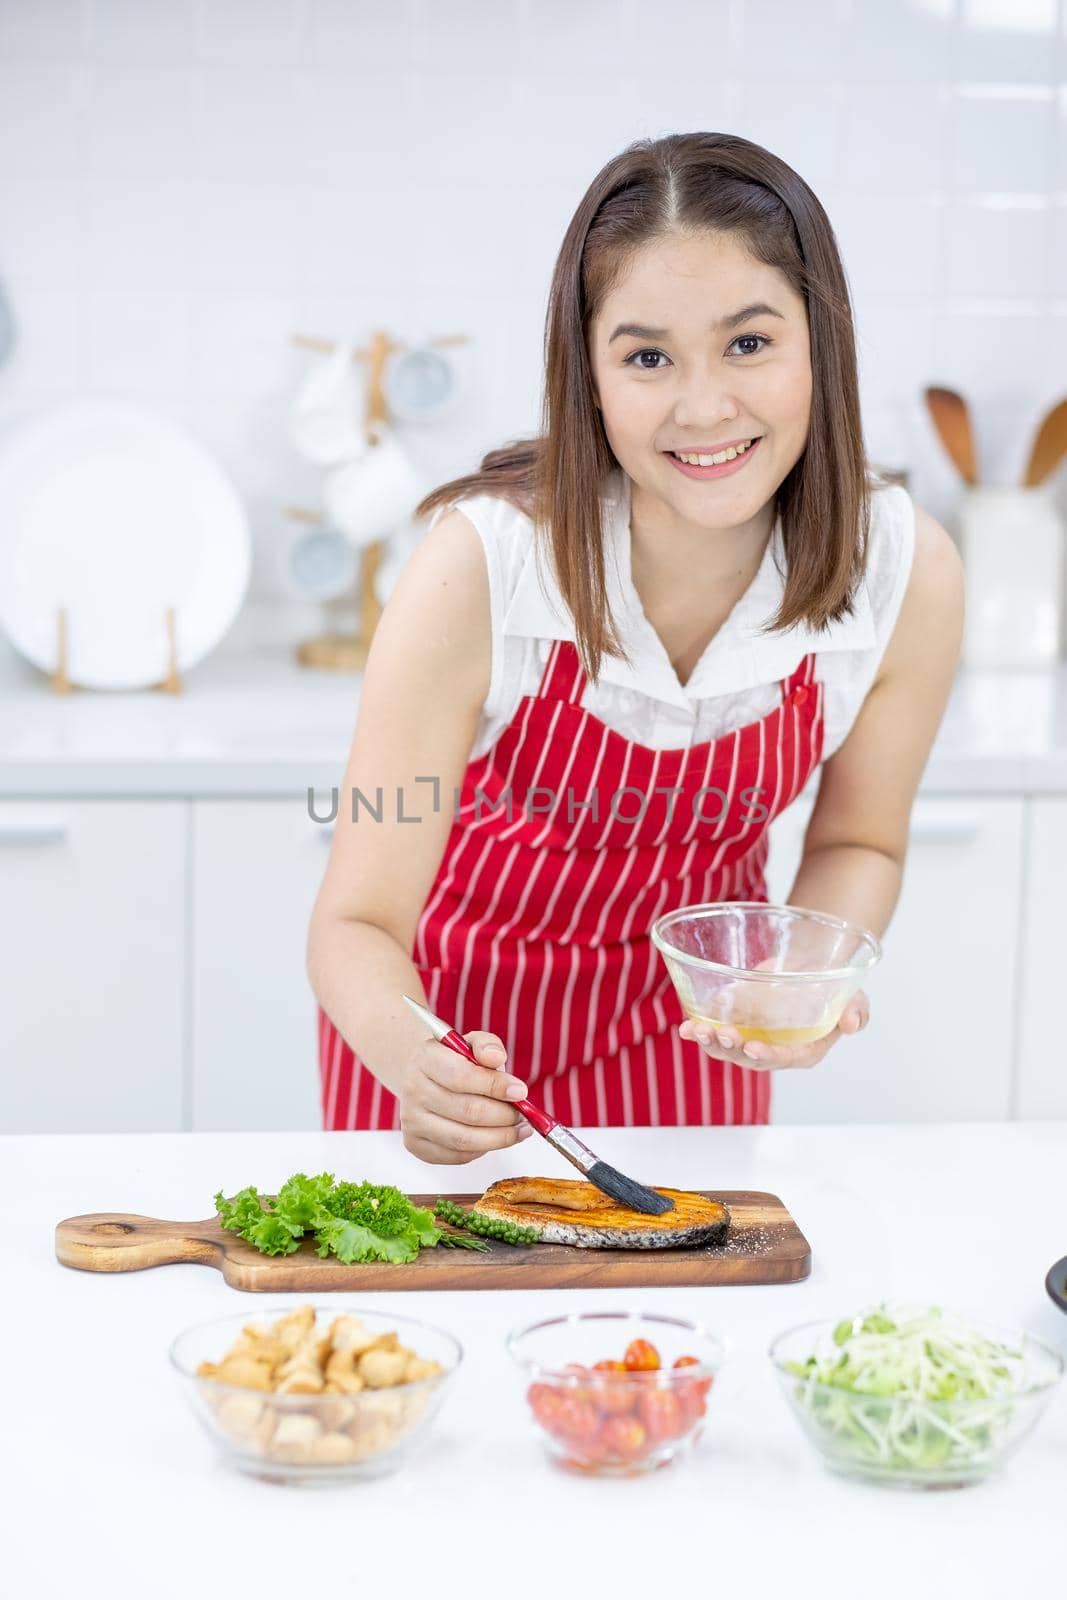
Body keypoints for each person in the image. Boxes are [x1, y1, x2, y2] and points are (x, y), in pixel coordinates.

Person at [306, 131, 963, 1162]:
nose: (702, 407)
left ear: (818, 345)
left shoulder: (902, 572)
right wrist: (417, 1062)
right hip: (445, 1047)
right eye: (646, 355)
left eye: (748, 344)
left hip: (691, 1055)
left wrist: (795, 982)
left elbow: (855, 845)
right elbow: (353, 922)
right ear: (590, 374)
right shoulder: (480, 567)